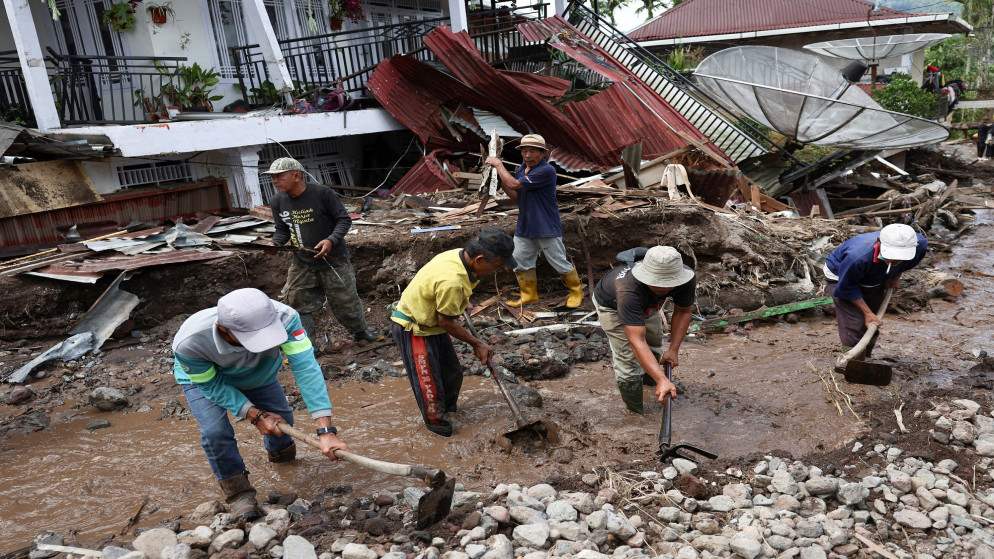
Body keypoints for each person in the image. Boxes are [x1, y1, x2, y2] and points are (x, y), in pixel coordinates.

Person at [172, 288, 348, 520]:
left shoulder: (286, 318)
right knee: (215, 433)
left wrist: (325, 430)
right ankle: (238, 493)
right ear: (224, 330)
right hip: (206, 380)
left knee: (282, 417)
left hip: (258, 373)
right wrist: (253, 414)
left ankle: (283, 463)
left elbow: (306, 368)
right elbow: (211, 386)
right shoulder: (190, 342)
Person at [390, 229, 516, 436]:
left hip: (433, 322)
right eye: (497, 266)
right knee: (429, 383)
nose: (499, 270)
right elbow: (447, 321)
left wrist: (459, 303)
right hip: (414, 328)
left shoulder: (459, 256)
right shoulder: (452, 281)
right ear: (479, 259)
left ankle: (449, 410)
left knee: (452, 372)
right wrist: (477, 343)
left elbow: (448, 307)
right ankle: (437, 426)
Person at [267, 157, 379, 343]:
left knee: (345, 301)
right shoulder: (277, 201)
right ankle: (307, 343)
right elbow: (282, 230)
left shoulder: (322, 194)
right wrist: (274, 244)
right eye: (273, 177)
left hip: (333, 260)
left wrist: (330, 240)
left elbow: (344, 219)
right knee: (297, 303)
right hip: (302, 263)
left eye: (279, 176)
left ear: (296, 175)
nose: (274, 181)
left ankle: (360, 333)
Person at [592, 246, 694, 414]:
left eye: (668, 284)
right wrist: (663, 378)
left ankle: (651, 381)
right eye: (657, 283)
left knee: (654, 342)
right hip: (611, 305)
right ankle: (635, 411)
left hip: (649, 304)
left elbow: (683, 311)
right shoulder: (627, 290)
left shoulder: (686, 278)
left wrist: (673, 350)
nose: (663, 288)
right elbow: (636, 340)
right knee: (627, 360)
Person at [485, 134, 584, 309]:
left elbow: (515, 185)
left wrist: (499, 165)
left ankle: (576, 292)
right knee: (520, 258)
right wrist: (499, 179)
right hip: (525, 224)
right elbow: (516, 196)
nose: (527, 155)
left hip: (545, 225)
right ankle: (529, 294)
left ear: (542, 154)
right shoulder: (521, 170)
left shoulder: (546, 171)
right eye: (524, 150)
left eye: (532, 151)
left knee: (558, 260)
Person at [824, 224, 927, 359]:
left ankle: (866, 356)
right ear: (878, 243)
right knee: (854, 322)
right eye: (892, 256)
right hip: (840, 276)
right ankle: (853, 362)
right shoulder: (857, 257)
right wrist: (867, 313)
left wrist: (895, 276)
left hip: (876, 274)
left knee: (873, 322)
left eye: (899, 257)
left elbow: (906, 264)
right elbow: (846, 288)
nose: (894, 260)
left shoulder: (919, 246)